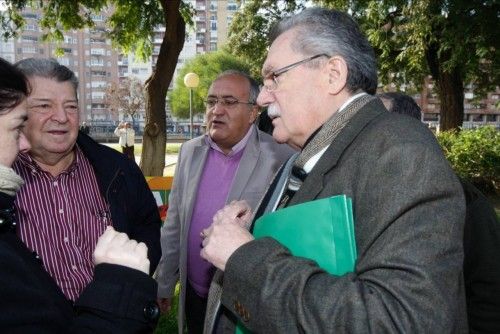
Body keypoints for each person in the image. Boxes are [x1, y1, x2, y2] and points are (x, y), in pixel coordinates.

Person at [200, 8, 468, 333]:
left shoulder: (400, 150)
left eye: (275, 77)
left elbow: (401, 321)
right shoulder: (307, 157)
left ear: (332, 74)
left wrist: (243, 256)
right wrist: (258, 225)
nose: (264, 96)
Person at [0, 56, 159, 333]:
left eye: (71, 106)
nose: (61, 117)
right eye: (44, 106)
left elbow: (147, 228)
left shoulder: (118, 169)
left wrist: (129, 293)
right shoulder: (4, 180)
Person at [155, 70, 295, 334]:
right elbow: (174, 224)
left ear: (254, 112)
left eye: (229, 102)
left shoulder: (281, 156)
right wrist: (165, 282)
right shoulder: (189, 151)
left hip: (241, 302)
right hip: (194, 294)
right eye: (211, 102)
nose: (216, 110)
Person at [379, 91, 500, 333]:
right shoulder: (371, 195)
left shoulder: (470, 206)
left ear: (406, 132)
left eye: (373, 124)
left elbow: (489, 295)